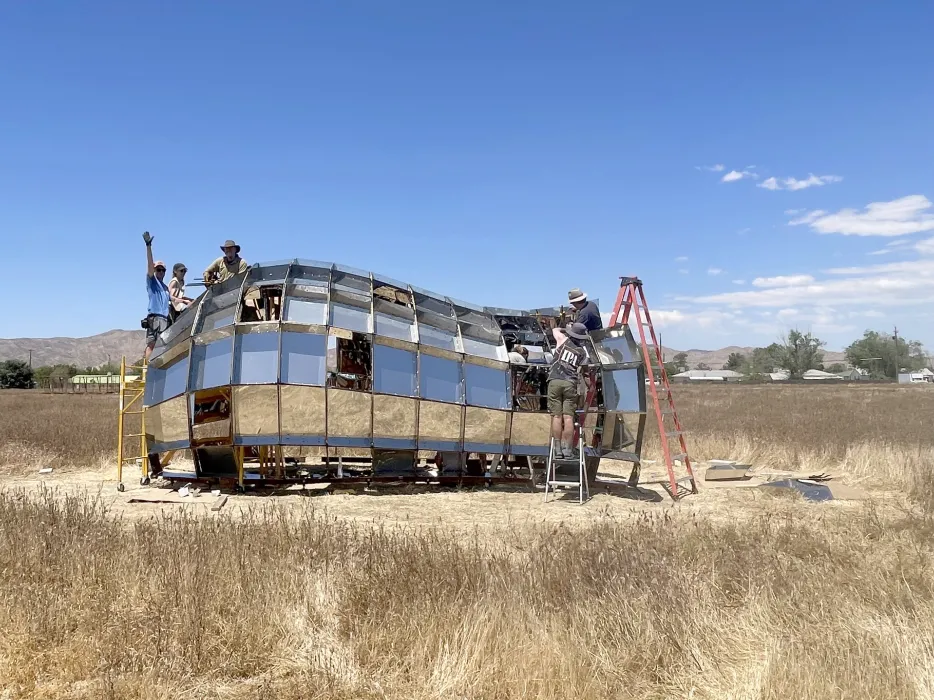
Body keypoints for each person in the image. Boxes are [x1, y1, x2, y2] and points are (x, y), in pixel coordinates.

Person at [547, 322, 590, 459]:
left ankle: (557, 449)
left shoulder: (562, 339)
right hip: (570, 382)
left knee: (556, 416)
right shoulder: (582, 352)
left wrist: (565, 328)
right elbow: (585, 371)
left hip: (554, 380)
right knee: (568, 417)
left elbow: (554, 330)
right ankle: (567, 450)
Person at [142, 232, 171, 361]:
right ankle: (149, 370)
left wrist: (188, 302)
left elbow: (173, 299)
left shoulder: (165, 287)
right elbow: (149, 266)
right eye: (157, 269)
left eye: (162, 270)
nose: (160, 272)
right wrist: (148, 247)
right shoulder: (152, 282)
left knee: (163, 346)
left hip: (164, 319)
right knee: (152, 344)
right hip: (155, 318)